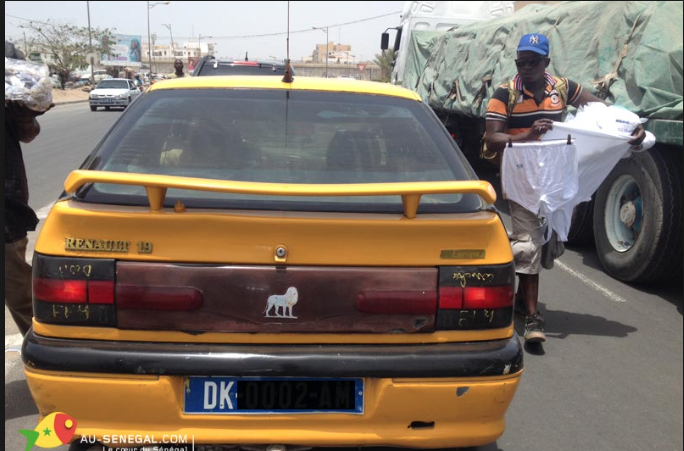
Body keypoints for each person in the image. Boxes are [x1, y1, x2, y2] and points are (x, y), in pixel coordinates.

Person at [485, 33, 645, 344]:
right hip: (521, 179)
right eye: (521, 61)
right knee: (530, 245)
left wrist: (630, 127)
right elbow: (492, 139)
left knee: (550, 245)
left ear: (545, 62)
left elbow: (601, 113)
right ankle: (532, 317)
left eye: (533, 61)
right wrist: (528, 135)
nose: (526, 67)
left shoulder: (562, 88)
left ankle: (518, 291)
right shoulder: (504, 94)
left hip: (557, 178)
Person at [5, 41, 53, 336]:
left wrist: (22, 113)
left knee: (20, 297)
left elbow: (29, 133)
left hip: (6, 212)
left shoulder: (12, 100)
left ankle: (46, 354)